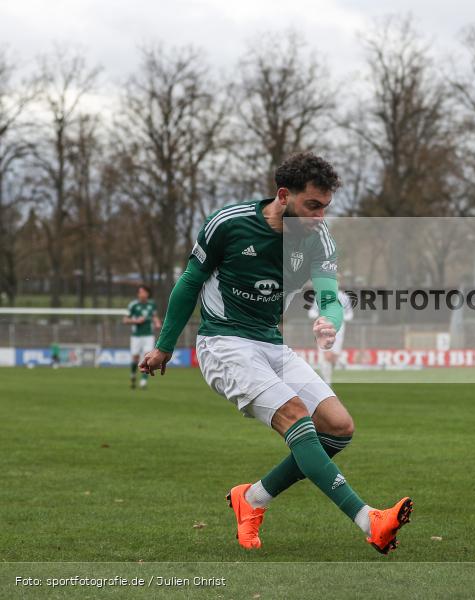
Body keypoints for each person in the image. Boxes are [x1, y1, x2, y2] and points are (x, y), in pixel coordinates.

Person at [140, 152, 412, 554]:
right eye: (312, 206)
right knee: (295, 415)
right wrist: (164, 347)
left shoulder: (318, 239)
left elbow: (328, 298)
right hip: (223, 343)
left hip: (271, 343)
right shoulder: (228, 223)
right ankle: (368, 519)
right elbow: (189, 281)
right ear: (284, 196)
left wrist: (329, 321)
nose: (320, 217)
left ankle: (252, 500)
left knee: (338, 428)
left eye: (325, 208)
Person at [307, 288, 354, 384]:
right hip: (323, 327)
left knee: (334, 357)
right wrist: (320, 315)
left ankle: (326, 374)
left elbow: (350, 314)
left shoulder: (344, 297)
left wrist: (339, 317)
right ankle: (327, 382)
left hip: (339, 329)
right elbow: (312, 312)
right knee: (326, 354)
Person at [124, 285, 160, 389]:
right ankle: (133, 374)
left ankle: (144, 381)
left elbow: (154, 316)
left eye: (143, 292)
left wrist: (157, 323)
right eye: (140, 292)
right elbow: (125, 320)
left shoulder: (151, 304)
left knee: (147, 357)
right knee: (135, 357)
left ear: (147, 294)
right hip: (136, 336)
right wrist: (136, 321)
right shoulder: (133, 305)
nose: (141, 294)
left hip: (148, 335)